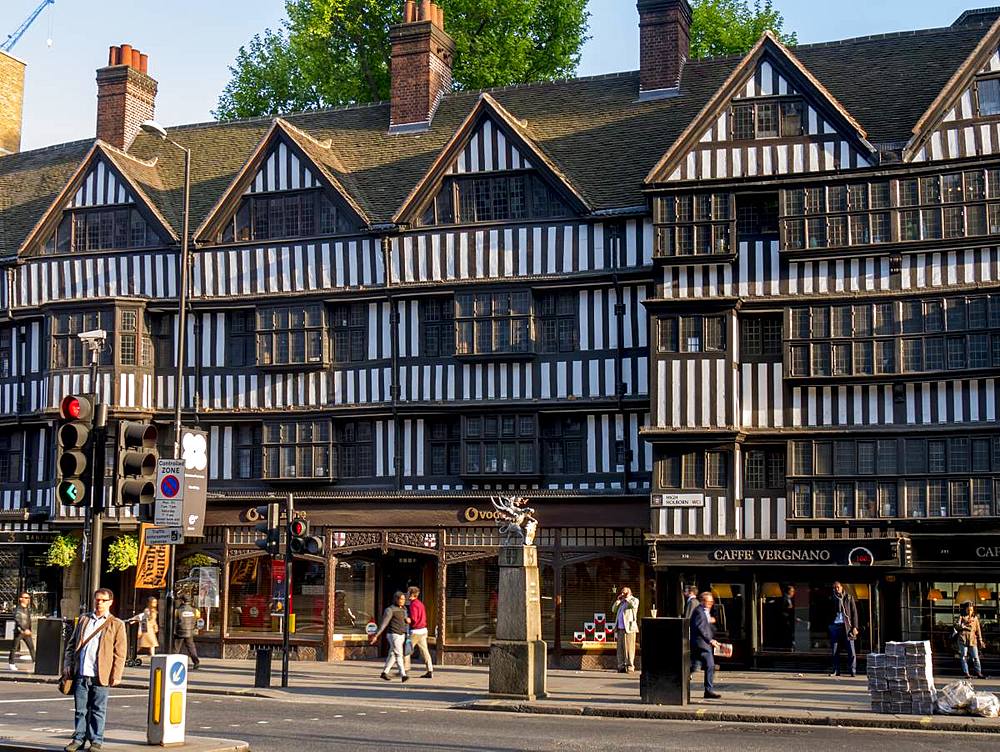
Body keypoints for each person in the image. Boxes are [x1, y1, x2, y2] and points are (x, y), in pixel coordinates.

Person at [62, 588, 127, 752]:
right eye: (97, 599)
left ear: (110, 602)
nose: (99, 602)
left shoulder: (116, 624)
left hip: (101, 674)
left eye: (103, 600)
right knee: (81, 710)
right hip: (81, 672)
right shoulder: (84, 619)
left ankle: (96, 741)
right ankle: (78, 739)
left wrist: (116, 674)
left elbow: (120, 653)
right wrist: (67, 664)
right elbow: (71, 645)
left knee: (98, 710)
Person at [370, 591, 410, 683]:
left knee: (393, 654)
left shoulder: (404, 609)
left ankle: (384, 673)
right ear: (396, 599)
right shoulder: (390, 610)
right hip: (393, 634)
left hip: (402, 634)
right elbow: (384, 624)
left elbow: (405, 621)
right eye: (401, 599)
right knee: (399, 654)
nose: (403, 601)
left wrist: (407, 621)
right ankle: (403, 675)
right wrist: (376, 635)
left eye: (404, 599)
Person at [690, 591, 721, 699]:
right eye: (709, 602)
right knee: (710, 665)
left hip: (702, 643)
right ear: (703, 601)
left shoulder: (704, 611)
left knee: (694, 666)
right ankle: (708, 690)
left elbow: (705, 626)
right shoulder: (699, 611)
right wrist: (710, 640)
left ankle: (678, 677)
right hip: (701, 643)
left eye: (712, 602)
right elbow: (701, 627)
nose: (711, 604)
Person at [828, 581, 859, 677]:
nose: (836, 589)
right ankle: (836, 670)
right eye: (834, 588)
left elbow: (854, 613)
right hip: (835, 626)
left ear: (842, 587)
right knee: (835, 650)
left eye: (837, 587)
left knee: (851, 649)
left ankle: (852, 670)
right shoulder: (832, 598)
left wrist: (855, 627)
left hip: (847, 626)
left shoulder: (848, 597)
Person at [406, 586, 433, 679]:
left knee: (407, 650)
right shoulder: (420, 604)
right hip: (423, 630)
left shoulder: (413, 604)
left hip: (415, 632)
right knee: (425, 651)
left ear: (412, 594)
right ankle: (430, 670)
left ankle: (404, 670)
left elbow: (414, 618)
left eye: (408, 592)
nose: (406, 594)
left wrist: (407, 620)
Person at [957, 601, 987, 679]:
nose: (970, 611)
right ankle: (966, 673)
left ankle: (979, 673)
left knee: (975, 657)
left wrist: (980, 640)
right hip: (963, 639)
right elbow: (957, 626)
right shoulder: (961, 617)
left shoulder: (975, 618)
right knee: (964, 656)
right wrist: (965, 624)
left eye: (971, 609)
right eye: (968, 609)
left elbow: (978, 630)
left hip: (972, 639)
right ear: (965, 609)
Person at [611, 586, 639, 673]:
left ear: (629, 593)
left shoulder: (634, 600)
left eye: (625, 592)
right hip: (620, 629)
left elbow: (633, 605)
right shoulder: (622, 602)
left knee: (629, 648)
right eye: (622, 592)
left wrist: (627, 598)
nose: (622, 594)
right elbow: (613, 610)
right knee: (620, 649)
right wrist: (618, 601)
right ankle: (621, 666)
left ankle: (630, 666)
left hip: (629, 629)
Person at [7, 591, 34, 670]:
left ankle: (35, 662)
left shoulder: (27, 609)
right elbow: (17, 620)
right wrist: (24, 629)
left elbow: (28, 621)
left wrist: (29, 630)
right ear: (20, 599)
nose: (28, 599)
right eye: (25, 598)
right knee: (14, 647)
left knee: (31, 647)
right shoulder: (18, 609)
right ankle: (11, 663)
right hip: (20, 632)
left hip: (27, 632)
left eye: (28, 598)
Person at [173, 595, 201, 669]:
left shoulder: (177, 610)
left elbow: (175, 619)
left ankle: (173, 662)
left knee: (176, 648)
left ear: (182, 601)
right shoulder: (195, 610)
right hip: (190, 632)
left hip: (180, 632)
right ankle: (196, 662)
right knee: (191, 648)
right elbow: (198, 617)